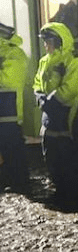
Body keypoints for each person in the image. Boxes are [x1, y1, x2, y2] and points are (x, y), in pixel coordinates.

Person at [32, 23, 78, 208]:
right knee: (52, 157)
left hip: (67, 117)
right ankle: (61, 191)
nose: (46, 44)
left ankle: (75, 195)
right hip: (50, 117)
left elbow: (71, 87)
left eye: (49, 41)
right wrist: (40, 97)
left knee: (70, 158)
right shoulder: (44, 61)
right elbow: (37, 82)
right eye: (45, 41)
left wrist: (50, 101)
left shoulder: (74, 60)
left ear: (59, 41)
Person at [0, 21, 30, 193]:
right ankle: (8, 179)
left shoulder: (15, 53)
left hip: (9, 111)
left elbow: (10, 81)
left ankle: (20, 182)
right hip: (4, 109)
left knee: (13, 147)